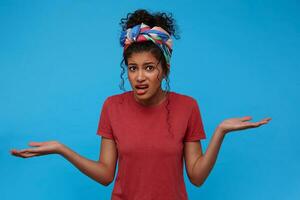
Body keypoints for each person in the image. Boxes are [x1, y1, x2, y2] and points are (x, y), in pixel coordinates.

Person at [10, 9, 271, 200]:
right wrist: (61, 149)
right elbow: (105, 175)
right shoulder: (112, 107)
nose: (139, 77)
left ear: (164, 70)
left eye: (149, 68)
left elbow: (197, 177)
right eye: (133, 68)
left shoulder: (188, 107)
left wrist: (220, 133)